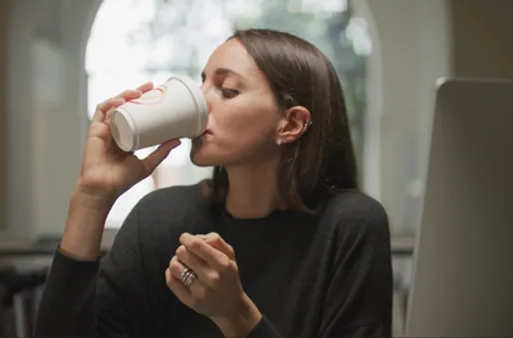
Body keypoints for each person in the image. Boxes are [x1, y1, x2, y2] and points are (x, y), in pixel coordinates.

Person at [34, 28, 393, 338]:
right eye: (202, 81)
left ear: (291, 124)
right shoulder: (159, 219)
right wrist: (92, 197)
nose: (199, 102)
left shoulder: (350, 226)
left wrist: (235, 315)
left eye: (228, 89)